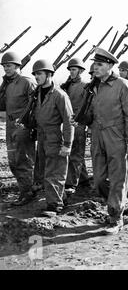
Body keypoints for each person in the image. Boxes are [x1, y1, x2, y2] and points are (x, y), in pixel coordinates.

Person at [88, 48, 128, 235]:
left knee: (117, 179)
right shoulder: (93, 86)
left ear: (110, 66)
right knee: (99, 180)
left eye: (100, 64)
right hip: (97, 137)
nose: (95, 67)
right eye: (95, 64)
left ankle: (115, 218)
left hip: (117, 138)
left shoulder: (122, 85)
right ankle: (122, 203)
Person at [29, 59, 74, 215]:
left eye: (39, 74)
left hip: (55, 136)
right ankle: (62, 197)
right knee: (43, 170)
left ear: (49, 74)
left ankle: (54, 206)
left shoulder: (60, 95)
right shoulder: (37, 93)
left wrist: (67, 144)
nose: (36, 77)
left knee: (54, 172)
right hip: (42, 136)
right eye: (35, 74)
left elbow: (69, 121)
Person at [0, 52, 37, 206]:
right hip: (9, 127)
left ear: (17, 66)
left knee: (24, 160)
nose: (5, 69)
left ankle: (28, 192)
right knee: (13, 162)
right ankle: (25, 191)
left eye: (9, 66)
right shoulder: (7, 84)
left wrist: (28, 125)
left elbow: (36, 105)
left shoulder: (27, 82)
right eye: (4, 66)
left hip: (22, 127)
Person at [60, 58, 89, 196]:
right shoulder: (67, 85)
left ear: (81, 71)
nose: (71, 72)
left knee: (76, 153)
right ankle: (83, 180)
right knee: (75, 152)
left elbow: (88, 107)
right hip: (68, 122)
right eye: (70, 70)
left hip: (78, 123)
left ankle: (71, 184)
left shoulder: (85, 85)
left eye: (74, 70)